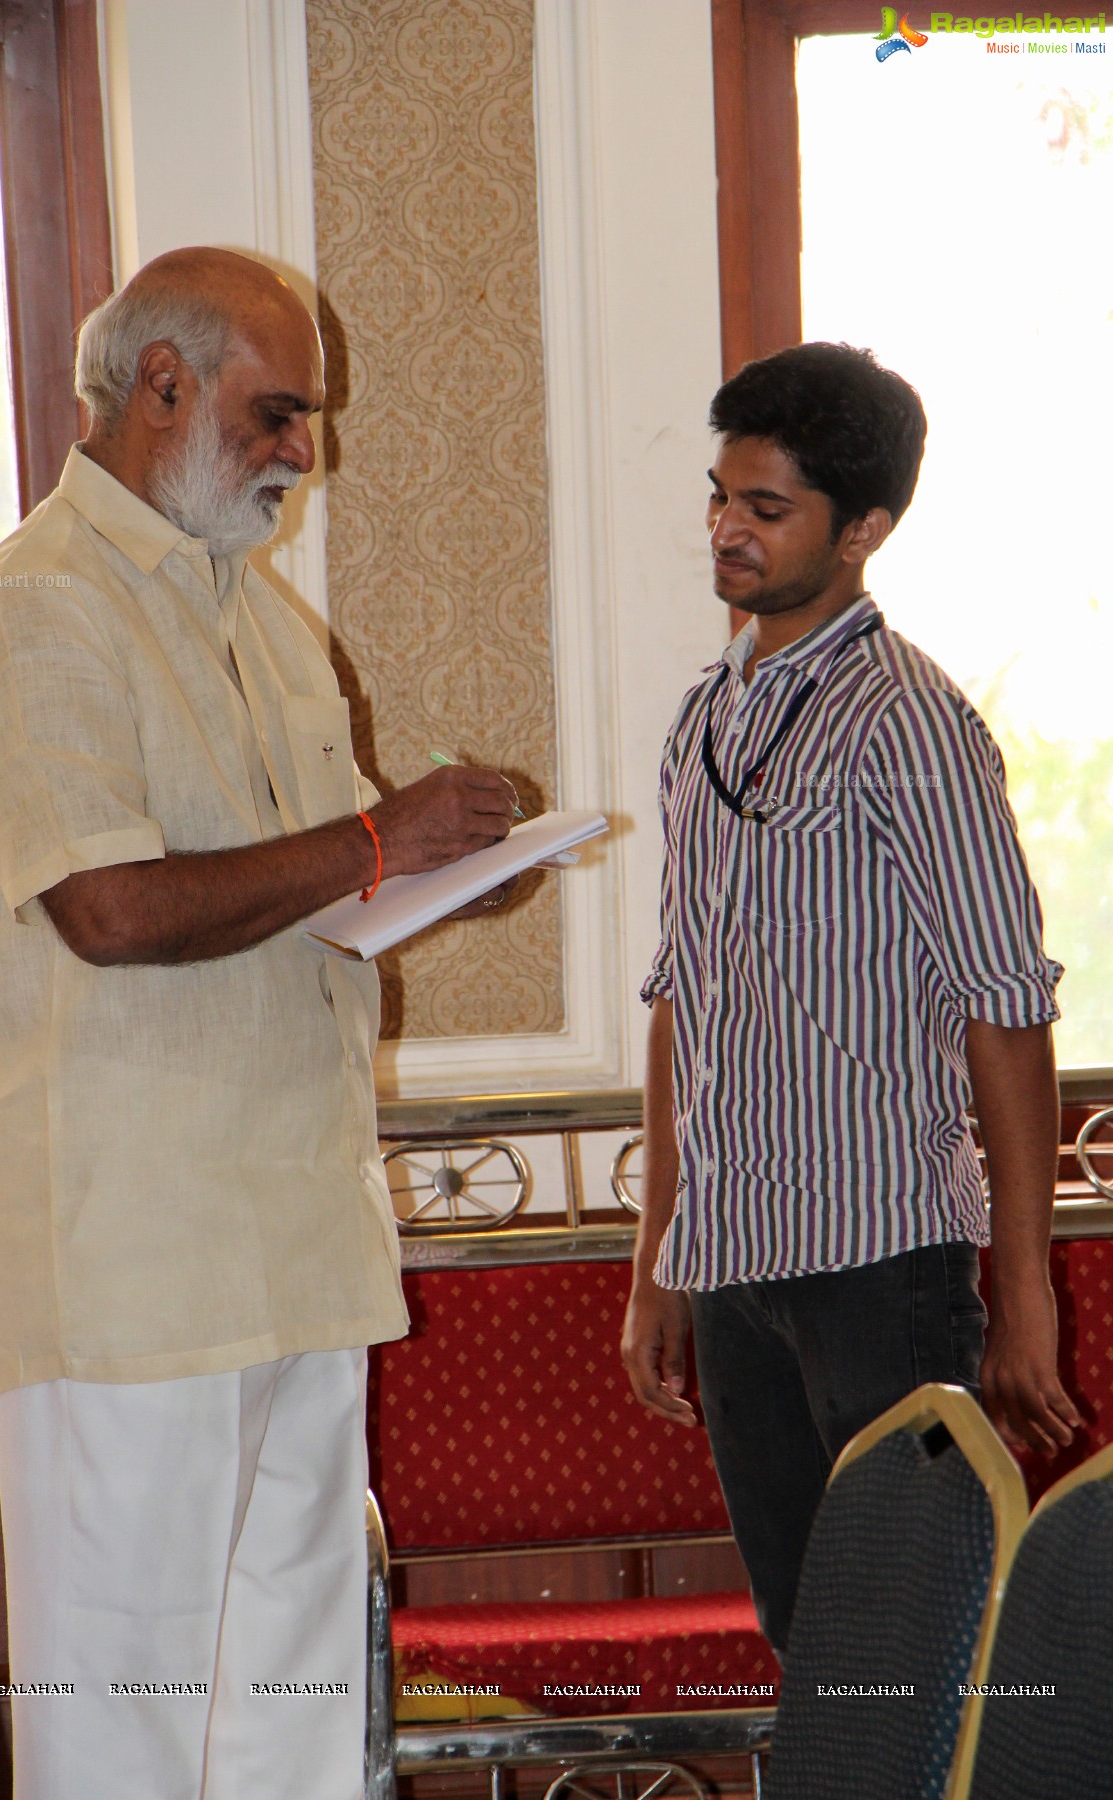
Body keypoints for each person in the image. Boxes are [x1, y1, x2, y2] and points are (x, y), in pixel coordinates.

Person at [0, 246, 519, 1800]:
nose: (301, 453)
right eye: (278, 413)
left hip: (300, 1248)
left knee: (297, 1722)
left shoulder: (267, 626)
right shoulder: (34, 609)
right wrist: (383, 841)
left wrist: (446, 871)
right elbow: (108, 912)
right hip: (134, 1271)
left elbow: (317, 889)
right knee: (126, 1725)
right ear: (161, 385)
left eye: (304, 420)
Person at [620, 341, 1080, 1656]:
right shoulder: (707, 714)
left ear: (866, 529)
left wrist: (1025, 1289)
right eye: (720, 496)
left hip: (881, 1264)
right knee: (810, 1644)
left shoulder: (909, 721)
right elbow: (678, 997)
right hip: (736, 1263)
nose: (727, 530)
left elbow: (1005, 1001)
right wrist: (661, 1255)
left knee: (916, 1647)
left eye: (767, 511)